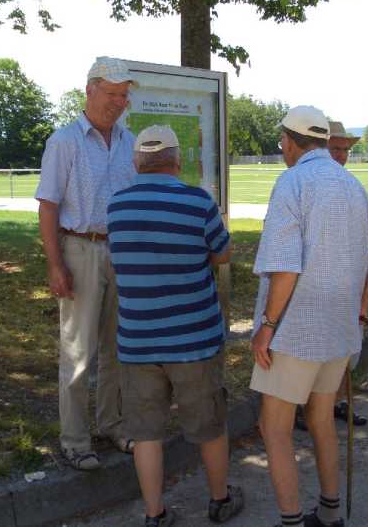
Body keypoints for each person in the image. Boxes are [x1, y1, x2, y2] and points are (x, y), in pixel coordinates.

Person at [250, 106, 368, 527]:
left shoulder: (292, 181)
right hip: (339, 330)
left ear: (292, 141)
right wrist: (360, 309)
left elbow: (285, 267)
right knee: (321, 418)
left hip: (295, 331)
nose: (281, 149)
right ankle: (330, 512)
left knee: (273, 428)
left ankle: (293, 521)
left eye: (282, 141)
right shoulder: (352, 184)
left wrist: (267, 327)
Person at [106, 125, 243, 527]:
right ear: (177, 161)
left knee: (146, 433)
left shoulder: (117, 207)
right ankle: (219, 500)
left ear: (136, 162)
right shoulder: (198, 202)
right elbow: (223, 254)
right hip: (195, 341)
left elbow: (119, 263)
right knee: (209, 425)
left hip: (138, 341)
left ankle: (155, 514)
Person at [36, 57, 137, 471]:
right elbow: (48, 205)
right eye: (112, 93)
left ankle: (111, 424)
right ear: (90, 91)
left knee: (118, 348)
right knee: (79, 351)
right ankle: (76, 440)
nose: (119, 102)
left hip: (122, 252)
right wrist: (55, 264)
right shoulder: (65, 141)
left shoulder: (130, 141)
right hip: (80, 247)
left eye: (124, 95)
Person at [295, 121, 367, 432]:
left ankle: (334, 403)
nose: (341, 155)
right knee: (308, 352)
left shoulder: (351, 186)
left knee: (344, 353)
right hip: (311, 289)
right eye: (336, 148)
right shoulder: (303, 182)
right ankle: (303, 407)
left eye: (345, 150)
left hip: (344, 287)